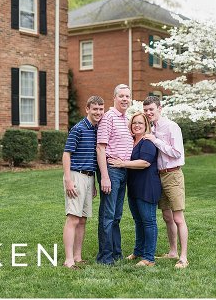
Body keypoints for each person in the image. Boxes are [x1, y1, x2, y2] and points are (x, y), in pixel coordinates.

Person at [108, 112, 161, 267]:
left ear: (146, 126)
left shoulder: (147, 142)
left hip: (147, 187)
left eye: (140, 123)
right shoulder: (131, 141)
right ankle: (138, 251)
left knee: (149, 222)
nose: (137, 125)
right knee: (138, 221)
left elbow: (145, 162)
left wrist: (122, 163)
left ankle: (149, 258)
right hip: (134, 187)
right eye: (134, 123)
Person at [143, 95, 189, 268]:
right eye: (146, 110)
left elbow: (177, 153)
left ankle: (183, 257)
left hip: (173, 175)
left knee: (178, 217)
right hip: (158, 175)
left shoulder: (171, 127)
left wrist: (156, 141)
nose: (148, 113)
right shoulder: (151, 128)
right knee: (167, 216)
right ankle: (172, 251)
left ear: (159, 108)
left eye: (151, 110)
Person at [61, 95, 104, 269]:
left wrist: (92, 183)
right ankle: (68, 259)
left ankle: (78, 257)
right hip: (75, 176)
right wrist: (68, 180)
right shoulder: (78, 129)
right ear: (87, 109)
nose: (98, 112)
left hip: (89, 176)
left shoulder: (97, 129)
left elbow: (92, 158)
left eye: (101, 109)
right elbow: (66, 154)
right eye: (95, 109)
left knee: (83, 219)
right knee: (73, 218)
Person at [95, 84, 133, 265]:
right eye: (122, 96)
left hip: (124, 171)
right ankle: (105, 257)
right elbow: (100, 148)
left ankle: (116, 253)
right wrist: (104, 176)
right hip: (111, 171)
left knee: (117, 216)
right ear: (114, 98)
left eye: (128, 96)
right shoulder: (109, 117)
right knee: (108, 215)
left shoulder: (126, 119)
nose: (125, 99)